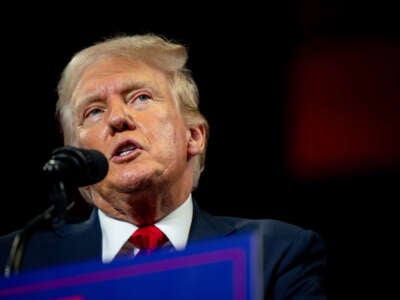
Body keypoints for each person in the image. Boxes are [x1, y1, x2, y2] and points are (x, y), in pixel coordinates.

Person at [0, 33, 327, 299]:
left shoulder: (273, 254)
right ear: (78, 160)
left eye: (140, 97)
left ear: (194, 136)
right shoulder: (18, 261)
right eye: (94, 111)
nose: (117, 118)